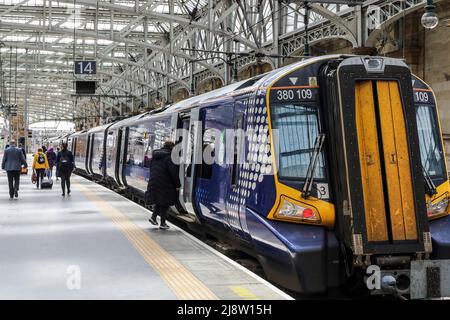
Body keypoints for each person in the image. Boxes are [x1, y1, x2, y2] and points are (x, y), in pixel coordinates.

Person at [146, 140, 180, 230]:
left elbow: (152, 168)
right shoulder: (169, 157)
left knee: (159, 201)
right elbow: (173, 172)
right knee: (165, 204)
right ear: (171, 147)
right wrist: (178, 184)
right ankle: (163, 223)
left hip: (155, 182)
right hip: (166, 184)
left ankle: (153, 218)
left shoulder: (155, 156)